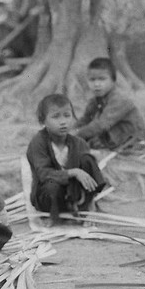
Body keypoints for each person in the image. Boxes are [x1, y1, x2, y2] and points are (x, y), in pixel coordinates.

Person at [26, 93, 107, 226]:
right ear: (43, 121)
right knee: (52, 186)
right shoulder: (38, 142)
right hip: (48, 196)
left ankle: (86, 206)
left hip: (72, 195)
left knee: (87, 159)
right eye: (55, 116)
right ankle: (54, 216)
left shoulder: (78, 143)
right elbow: (43, 173)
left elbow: (88, 170)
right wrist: (73, 172)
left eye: (67, 115)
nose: (63, 121)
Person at [75, 57, 145, 153]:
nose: (97, 84)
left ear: (113, 81)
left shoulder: (119, 99)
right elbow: (85, 120)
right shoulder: (95, 100)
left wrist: (75, 135)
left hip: (134, 140)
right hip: (114, 137)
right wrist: (69, 131)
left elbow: (101, 125)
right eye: (92, 80)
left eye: (102, 79)